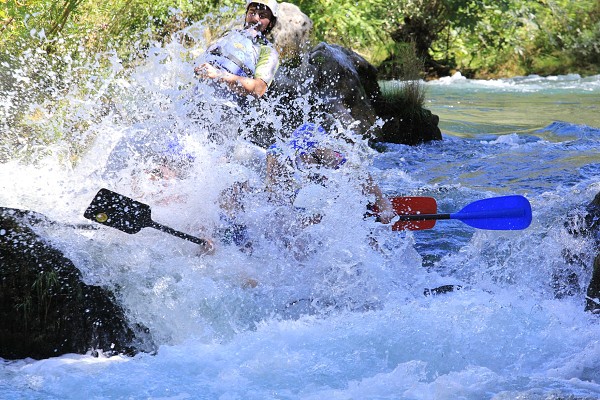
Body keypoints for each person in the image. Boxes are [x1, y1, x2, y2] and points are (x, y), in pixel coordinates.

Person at [265, 123, 396, 225]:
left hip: (320, 200)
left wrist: (386, 210)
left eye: (306, 153)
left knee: (317, 194)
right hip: (297, 200)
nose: (302, 156)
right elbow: (272, 192)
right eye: (300, 152)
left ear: (319, 150)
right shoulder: (279, 154)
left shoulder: (338, 160)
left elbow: (376, 193)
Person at [194, 0, 280, 101]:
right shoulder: (230, 35)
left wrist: (219, 75)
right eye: (252, 13)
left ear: (271, 23)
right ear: (246, 15)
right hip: (198, 98)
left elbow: (258, 89)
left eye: (262, 15)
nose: (255, 18)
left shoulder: (268, 52)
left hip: (229, 110)